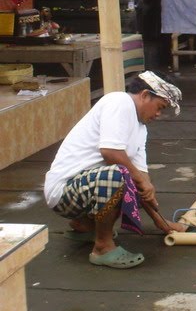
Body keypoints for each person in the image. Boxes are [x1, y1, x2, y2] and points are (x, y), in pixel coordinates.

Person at [43, 71, 187, 269]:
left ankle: (85, 226)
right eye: (160, 107)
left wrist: (160, 221)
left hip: (83, 187)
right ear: (145, 95)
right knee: (119, 175)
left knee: (133, 180)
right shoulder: (119, 102)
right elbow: (110, 152)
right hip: (63, 192)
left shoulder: (141, 129)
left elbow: (141, 177)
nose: (158, 114)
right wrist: (141, 181)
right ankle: (102, 247)